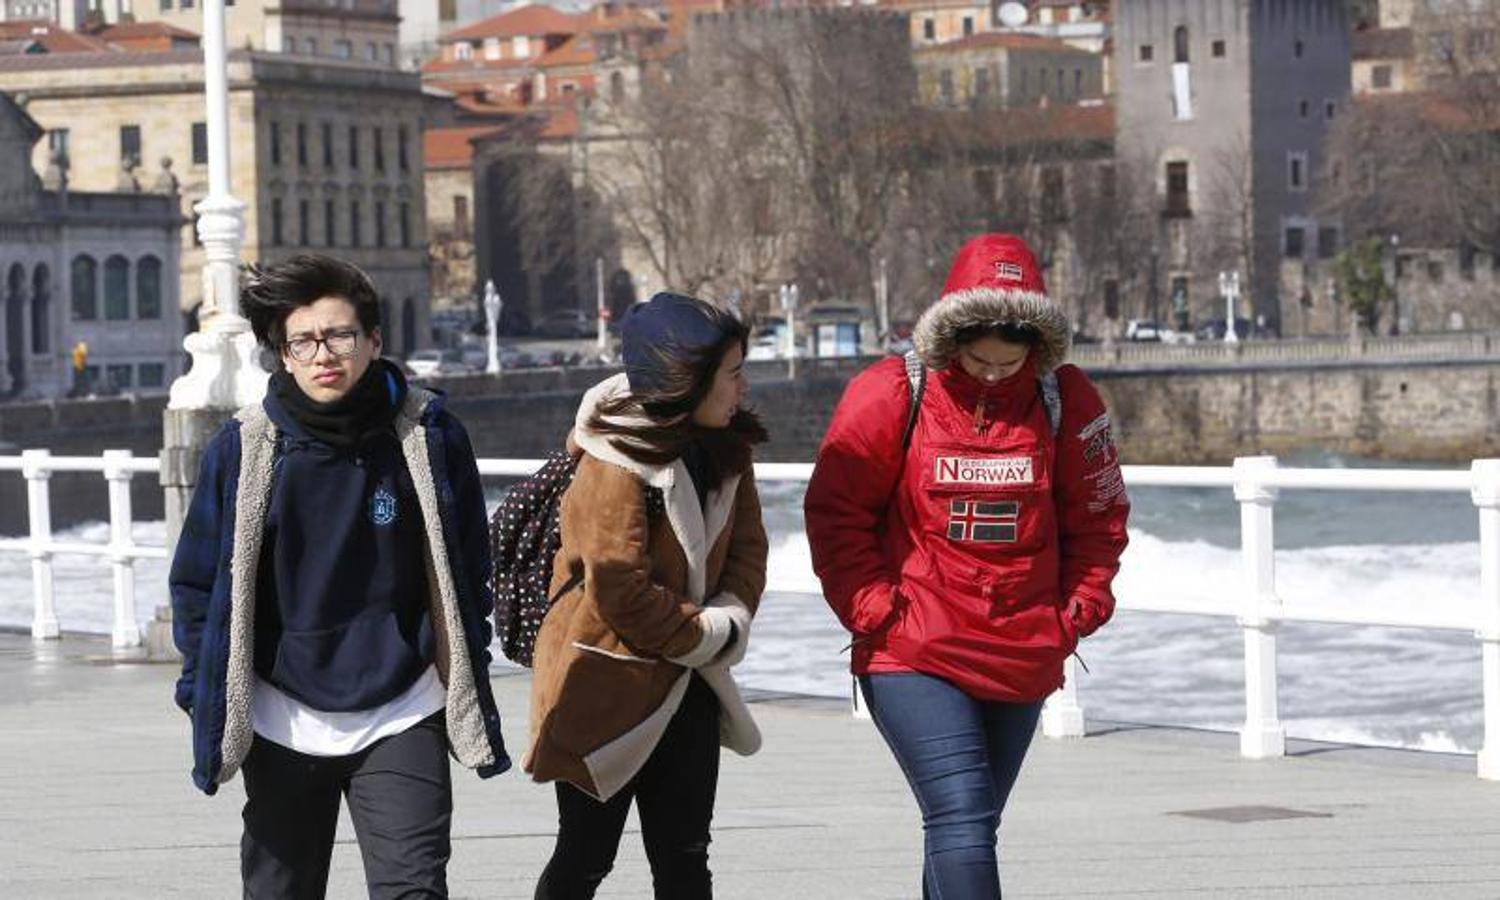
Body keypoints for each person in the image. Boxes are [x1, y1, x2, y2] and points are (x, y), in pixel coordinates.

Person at [169, 254, 510, 899]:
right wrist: (203, 688)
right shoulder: (245, 450)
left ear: (374, 341)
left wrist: (466, 657)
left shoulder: (428, 435)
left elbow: (469, 563)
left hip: (404, 706)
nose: (324, 354)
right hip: (281, 713)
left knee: (415, 889)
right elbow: (195, 585)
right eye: (304, 340)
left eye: (340, 336)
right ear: (284, 354)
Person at [804, 234, 1130, 899]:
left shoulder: (1067, 400)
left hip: (1024, 648)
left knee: (968, 825)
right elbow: (836, 512)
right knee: (961, 816)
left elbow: (1098, 516)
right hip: (914, 647)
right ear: (950, 336)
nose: (990, 376)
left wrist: (1077, 611)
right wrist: (875, 611)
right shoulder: (892, 392)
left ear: (1036, 350)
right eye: (977, 360)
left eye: (1009, 365)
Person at [526, 291, 769, 900]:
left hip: (688, 688)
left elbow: (748, 549)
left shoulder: (727, 447)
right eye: (733, 374)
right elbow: (618, 586)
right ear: (685, 379)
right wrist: (703, 635)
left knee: (686, 858)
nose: (743, 387)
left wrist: (730, 619)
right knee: (585, 857)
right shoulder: (611, 460)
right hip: (602, 684)